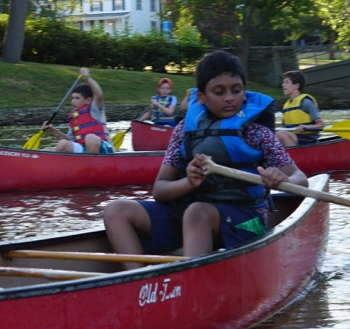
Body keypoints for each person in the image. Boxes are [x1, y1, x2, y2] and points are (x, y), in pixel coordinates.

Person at [103, 50, 308, 270]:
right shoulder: (184, 130)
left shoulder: (258, 133)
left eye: (236, 90)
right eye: (219, 92)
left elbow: (301, 180)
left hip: (245, 221)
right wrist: (189, 182)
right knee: (116, 211)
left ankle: (191, 283)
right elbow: (160, 191)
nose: (229, 97)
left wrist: (279, 179)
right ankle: (140, 284)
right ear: (201, 97)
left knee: (197, 212)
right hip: (188, 218)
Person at [43, 67, 114, 154]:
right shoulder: (74, 117)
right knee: (63, 144)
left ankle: (93, 165)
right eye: (72, 98)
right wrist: (54, 131)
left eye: (77, 98)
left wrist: (88, 79)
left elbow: (99, 94)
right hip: (84, 150)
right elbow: (69, 140)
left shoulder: (94, 109)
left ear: (88, 100)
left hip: (104, 149)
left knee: (90, 138)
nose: (73, 101)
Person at [275, 69, 325, 148]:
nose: (283, 85)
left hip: (308, 140)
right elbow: (284, 127)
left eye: (287, 82)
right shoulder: (287, 105)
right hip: (294, 137)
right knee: (273, 136)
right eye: (283, 82)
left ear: (296, 86)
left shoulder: (306, 102)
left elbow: (321, 125)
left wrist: (307, 127)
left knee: (281, 134)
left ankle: (290, 158)